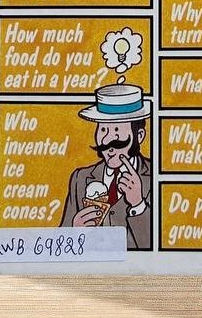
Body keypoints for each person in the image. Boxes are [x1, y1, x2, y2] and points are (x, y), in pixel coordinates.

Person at [60, 82, 152, 250]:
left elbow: (161, 248)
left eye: (116, 131)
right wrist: (74, 230)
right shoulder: (80, 178)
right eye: (103, 130)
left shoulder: (155, 177)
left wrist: (138, 204)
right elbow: (60, 247)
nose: (107, 140)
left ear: (139, 136)